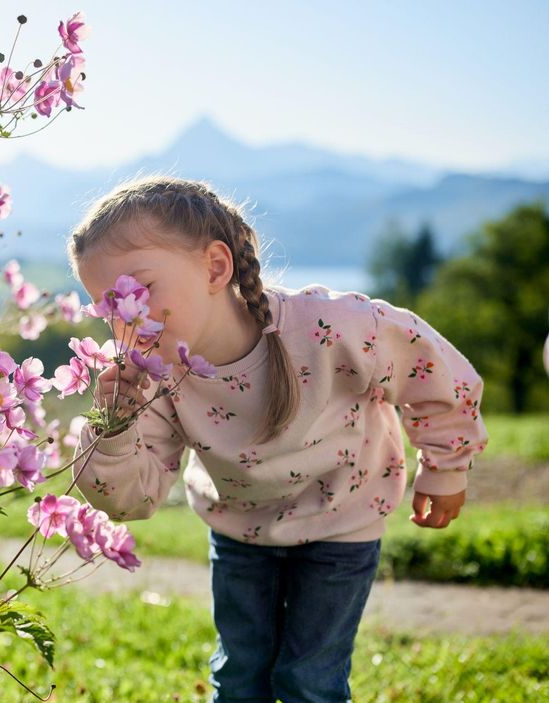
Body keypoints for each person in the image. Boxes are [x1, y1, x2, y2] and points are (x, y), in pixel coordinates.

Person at [65, 175, 489, 703]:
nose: (128, 319)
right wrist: (113, 427)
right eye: (110, 308)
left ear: (216, 268)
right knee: (240, 677)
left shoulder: (329, 325)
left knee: (309, 680)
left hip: (344, 523)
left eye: (141, 291)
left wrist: (447, 465)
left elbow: (432, 368)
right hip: (242, 535)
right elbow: (132, 499)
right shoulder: (154, 378)